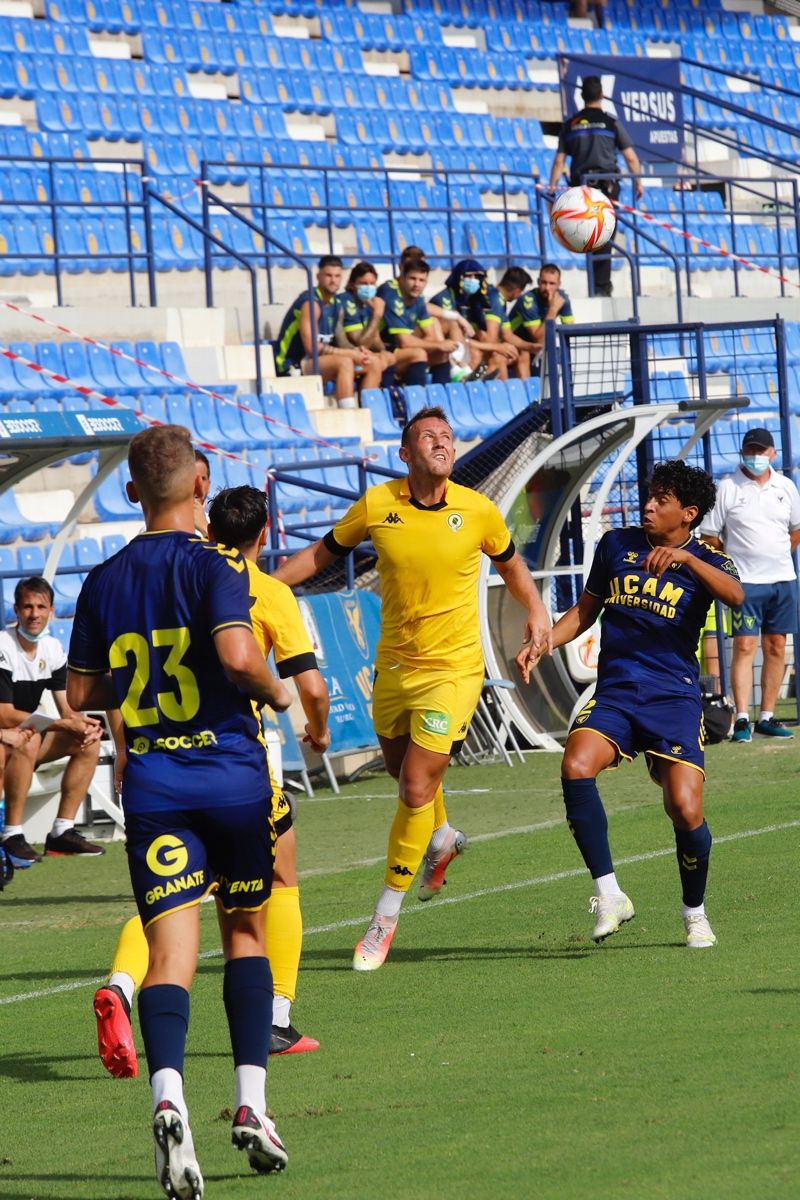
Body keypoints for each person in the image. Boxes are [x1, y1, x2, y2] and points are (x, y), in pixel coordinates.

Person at [67, 425, 293, 1194]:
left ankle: (169, 1098)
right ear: (201, 484)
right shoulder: (217, 567)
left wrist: (137, 676)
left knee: (168, 955)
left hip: (156, 787)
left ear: (132, 493)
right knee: (246, 934)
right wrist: (276, 688)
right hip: (231, 779)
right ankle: (251, 1107)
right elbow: (236, 657)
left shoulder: (102, 581)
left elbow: (81, 694)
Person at [274, 407, 551, 971]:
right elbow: (319, 555)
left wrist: (538, 609)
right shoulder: (379, 505)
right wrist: (259, 584)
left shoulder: (478, 510)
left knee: (415, 788)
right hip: (394, 667)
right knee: (409, 777)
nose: (441, 442)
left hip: (453, 669)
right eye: (428, 436)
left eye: (447, 436)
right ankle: (443, 837)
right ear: (405, 454)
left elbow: (512, 564)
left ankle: (383, 917)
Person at [93, 485, 330, 1081]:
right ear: (264, 531)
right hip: (232, 761)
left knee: (172, 900)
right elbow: (303, 684)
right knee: (272, 881)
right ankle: (274, 1017)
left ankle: (122, 985)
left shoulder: (154, 585)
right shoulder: (262, 589)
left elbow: (110, 680)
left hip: (155, 764)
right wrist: (315, 728)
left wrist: (126, 747)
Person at [519, 461, 743, 948]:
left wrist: (686, 562)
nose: (648, 505)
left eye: (661, 500)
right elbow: (584, 610)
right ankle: (610, 893)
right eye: (650, 496)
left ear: (687, 514)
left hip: (674, 697)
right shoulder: (616, 545)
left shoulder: (707, 558)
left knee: (684, 809)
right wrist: (543, 643)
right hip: (617, 692)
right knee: (576, 764)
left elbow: (736, 596)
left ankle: (694, 912)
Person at [699, 428, 800, 743]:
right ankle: (742, 717)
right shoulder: (727, 488)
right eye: (750, 450)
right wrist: (730, 567)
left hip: (782, 580)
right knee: (744, 646)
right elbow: (710, 536)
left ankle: (767, 717)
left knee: (777, 645)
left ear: (772, 453)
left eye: (761, 450)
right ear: (742, 453)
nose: (755, 456)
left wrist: (781, 553)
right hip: (745, 584)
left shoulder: (785, 486)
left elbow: (796, 529)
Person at [0, 577, 104, 866]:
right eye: (27, 607)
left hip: (23, 739)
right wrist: (62, 724)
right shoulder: (3, 645)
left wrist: (83, 725)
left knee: (87, 742)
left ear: (51, 610)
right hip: (5, 739)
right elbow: (5, 713)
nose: (34, 614)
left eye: (41, 606)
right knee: (30, 735)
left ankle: (62, 832)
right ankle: (12, 834)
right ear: (16, 610)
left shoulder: (52, 648)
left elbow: (68, 707)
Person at [549, 74, 643, 297]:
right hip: (606, 187)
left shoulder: (570, 124)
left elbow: (560, 160)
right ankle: (601, 287)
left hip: (581, 190)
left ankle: (597, 285)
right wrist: (638, 181)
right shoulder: (611, 122)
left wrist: (552, 186)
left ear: (581, 96)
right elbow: (630, 157)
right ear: (602, 95)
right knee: (604, 236)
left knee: (586, 234)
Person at [274, 255, 383, 408]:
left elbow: (342, 342)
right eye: (328, 275)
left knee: (372, 362)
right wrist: (350, 354)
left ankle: (370, 415)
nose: (333, 280)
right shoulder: (310, 303)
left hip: (319, 362)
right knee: (344, 362)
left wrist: (359, 352)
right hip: (294, 364)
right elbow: (312, 348)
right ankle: (349, 415)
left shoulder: (336, 303)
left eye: (337, 276)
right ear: (318, 276)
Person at [376, 256, 462, 388]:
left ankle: (441, 398)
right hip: (384, 352)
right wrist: (439, 344)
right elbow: (404, 341)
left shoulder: (419, 300)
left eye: (422, 280)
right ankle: (416, 400)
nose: (417, 284)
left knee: (442, 354)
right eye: (412, 279)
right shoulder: (393, 297)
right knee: (420, 353)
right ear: (403, 278)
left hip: (401, 351)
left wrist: (440, 346)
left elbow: (430, 335)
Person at [428, 259, 518, 382]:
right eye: (469, 276)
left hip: (461, 345)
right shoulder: (445, 298)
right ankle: (467, 381)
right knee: (476, 352)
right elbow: (455, 335)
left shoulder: (474, 300)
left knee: (496, 352)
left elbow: (480, 335)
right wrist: (497, 347)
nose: (473, 280)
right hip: (439, 346)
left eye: (476, 277)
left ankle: (497, 393)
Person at [336, 260, 415, 387]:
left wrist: (382, 351)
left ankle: (385, 396)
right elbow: (361, 342)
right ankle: (367, 400)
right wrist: (377, 315)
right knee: (376, 361)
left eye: (372, 284)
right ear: (352, 284)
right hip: (346, 354)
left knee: (388, 357)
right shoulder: (347, 301)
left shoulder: (367, 304)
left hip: (361, 353)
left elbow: (376, 342)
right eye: (363, 283)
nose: (368, 287)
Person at [507, 263, 574, 379]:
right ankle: (528, 395)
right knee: (525, 353)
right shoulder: (528, 301)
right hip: (513, 342)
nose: (547, 288)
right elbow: (538, 340)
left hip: (533, 346)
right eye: (544, 283)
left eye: (552, 283)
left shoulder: (563, 299)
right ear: (538, 282)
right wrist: (552, 311)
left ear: (559, 285)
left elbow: (570, 331)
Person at [193, 449, 211, 537]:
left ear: (209, 485)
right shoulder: (159, 528)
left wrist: (205, 528)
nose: (198, 485)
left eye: (203, 479)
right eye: (192, 478)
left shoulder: (220, 525)